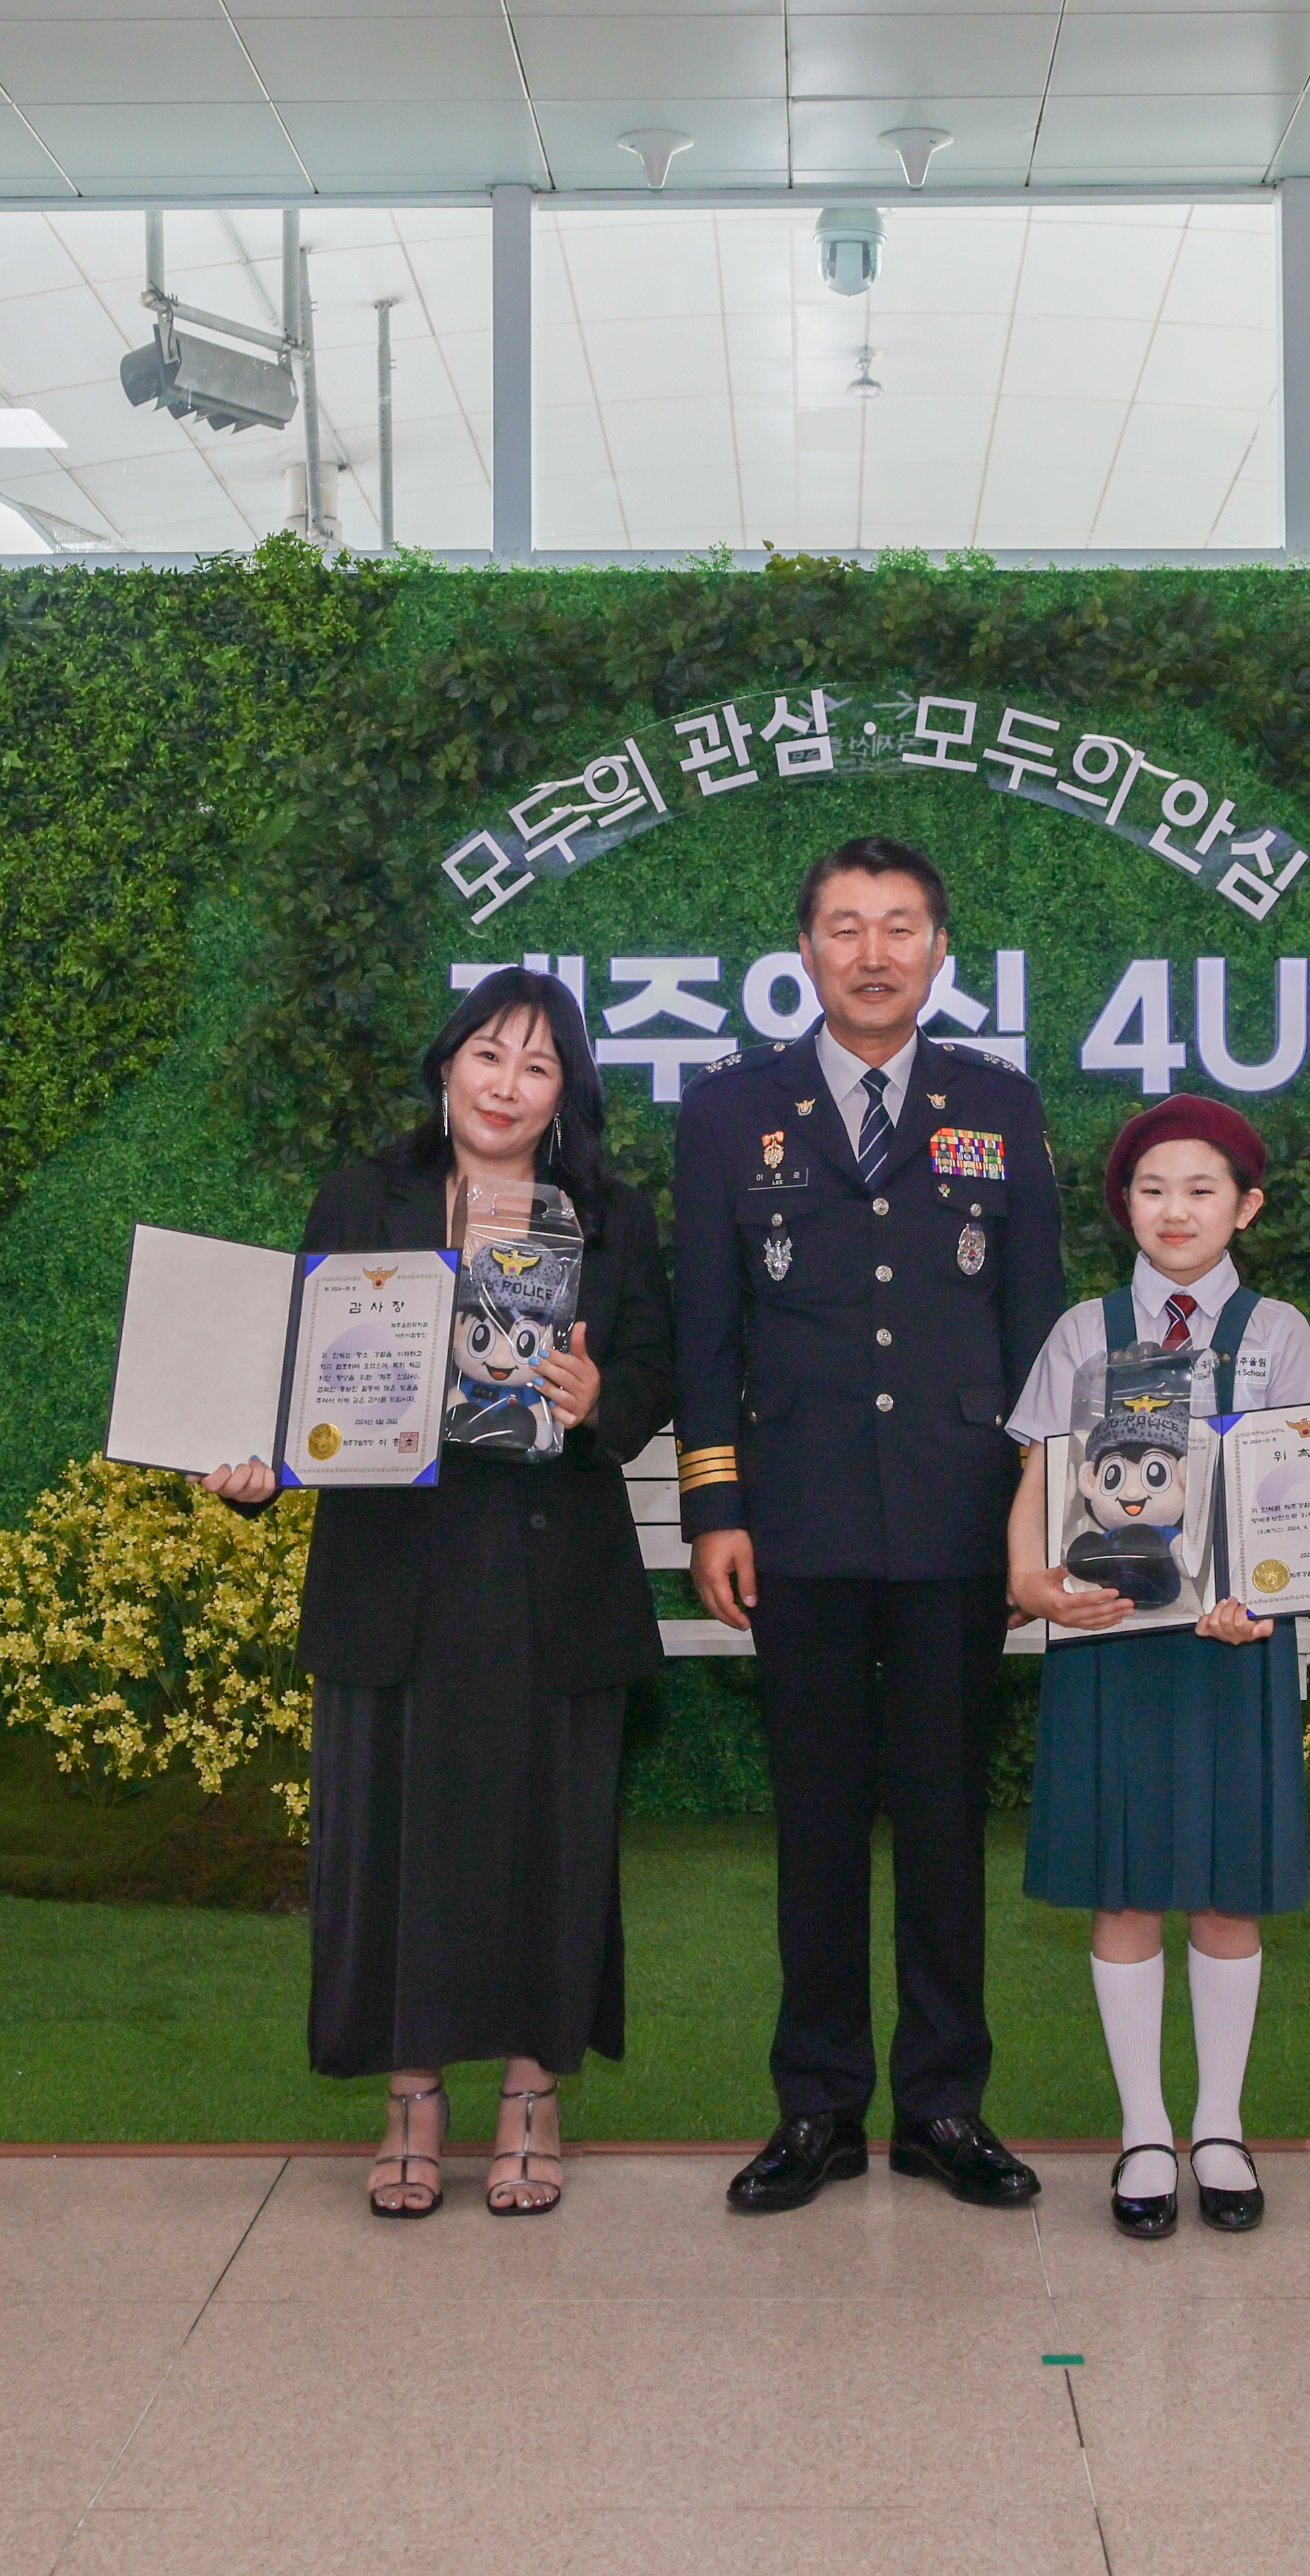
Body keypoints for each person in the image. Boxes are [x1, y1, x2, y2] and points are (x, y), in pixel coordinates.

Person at [203, 966, 664, 2220]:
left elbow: (652, 1368)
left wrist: (597, 1404)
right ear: (445, 1065)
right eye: (485, 1056)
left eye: (536, 1065)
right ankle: (409, 2098)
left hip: (548, 1566)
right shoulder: (369, 1195)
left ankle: (531, 2096)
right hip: (392, 1567)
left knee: (550, 1839)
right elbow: (303, 1370)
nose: (505, 1086)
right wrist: (260, 1466)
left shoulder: (608, 1213)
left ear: (565, 1091)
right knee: (387, 1839)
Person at [676, 838, 1065, 2215]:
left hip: (962, 1523)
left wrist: (1039, 1517)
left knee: (950, 1822)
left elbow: (1042, 1338)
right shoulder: (734, 1111)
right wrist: (715, 1504)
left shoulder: (999, 1104)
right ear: (805, 953)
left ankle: (948, 2104)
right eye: (846, 926)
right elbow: (707, 1334)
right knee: (819, 1825)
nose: (875, 950)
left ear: (943, 951)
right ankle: (820, 2107)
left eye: (902, 926)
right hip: (800, 1520)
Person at [1004, 1095, 1310, 2240]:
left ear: (1246, 1206)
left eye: (1200, 1189)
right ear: (1122, 1208)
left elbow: (1297, 1492)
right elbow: (1039, 1483)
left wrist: (1266, 1600)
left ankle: (1220, 2127)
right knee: (1125, 1887)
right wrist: (1031, 1585)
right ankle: (1143, 2131)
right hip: (1109, 1644)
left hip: (1234, 1651)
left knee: (1230, 1893)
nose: (1175, 1210)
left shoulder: (1276, 1332)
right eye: (1151, 1189)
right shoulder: (1082, 1331)